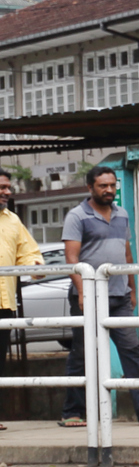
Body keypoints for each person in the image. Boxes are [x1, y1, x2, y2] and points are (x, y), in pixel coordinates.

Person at [60, 165, 139, 427]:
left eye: (112, 185)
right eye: (103, 186)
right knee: (82, 354)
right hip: (88, 297)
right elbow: (71, 259)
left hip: (119, 296)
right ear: (90, 188)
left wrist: (131, 288)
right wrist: (83, 292)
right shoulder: (77, 216)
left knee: (131, 350)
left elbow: (126, 253)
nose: (109, 190)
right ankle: (72, 413)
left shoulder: (121, 214)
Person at [0, 170, 41, 429]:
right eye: (2, 187)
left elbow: (28, 253)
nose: (7, 192)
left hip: (4, 305)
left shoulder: (12, 220)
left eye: (8, 187)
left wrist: (35, 266)